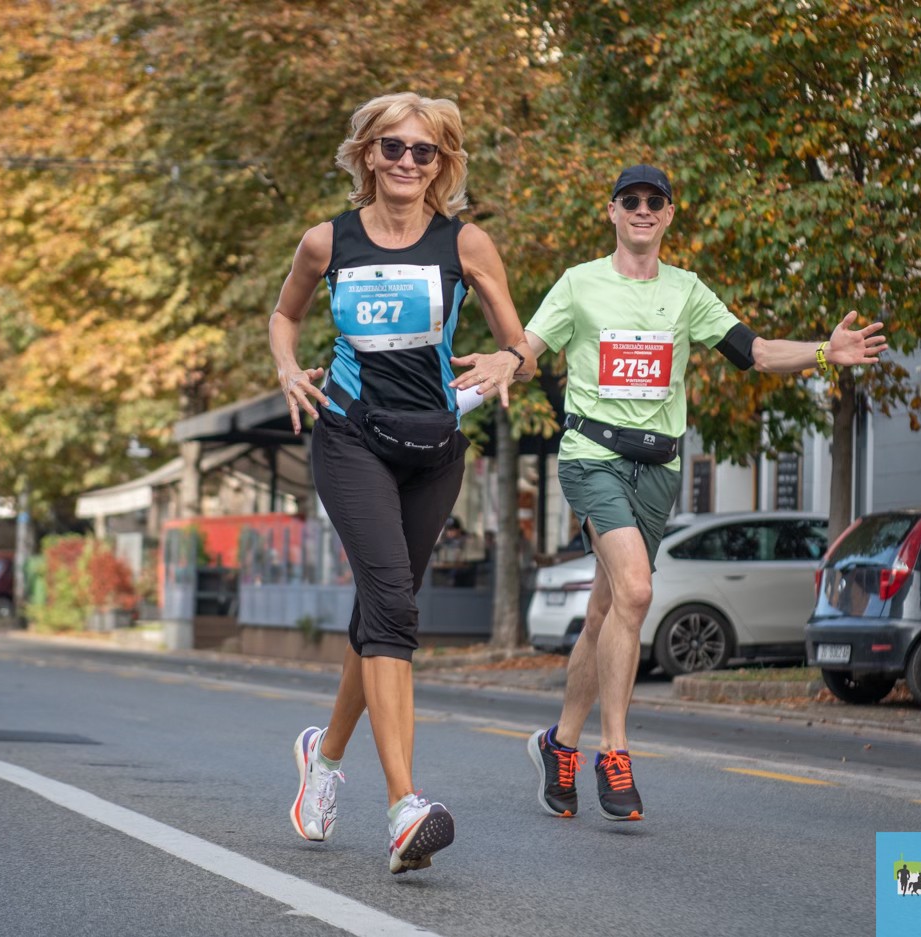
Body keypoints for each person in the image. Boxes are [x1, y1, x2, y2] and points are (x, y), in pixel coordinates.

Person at [521, 165, 887, 821]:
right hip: (591, 456)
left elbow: (758, 351)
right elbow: (530, 344)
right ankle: (617, 752)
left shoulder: (687, 292)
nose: (641, 209)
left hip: (657, 467)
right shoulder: (579, 283)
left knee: (607, 609)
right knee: (635, 588)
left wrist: (824, 352)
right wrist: (506, 359)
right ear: (612, 212)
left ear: (667, 215)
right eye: (629, 200)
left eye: (653, 202)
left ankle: (560, 742)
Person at [271, 92, 532, 874]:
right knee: (393, 608)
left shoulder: (467, 244)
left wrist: (508, 360)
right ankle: (403, 806)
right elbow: (284, 316)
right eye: (393, 147)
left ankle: (322, 757)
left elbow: (521, 341)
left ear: (442, 163)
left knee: (384, 609)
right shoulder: (328, 241)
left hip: (435, 445)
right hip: (349, 436)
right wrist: (288, 368)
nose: (407, 163)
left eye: (424, 151)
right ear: (367, 155)